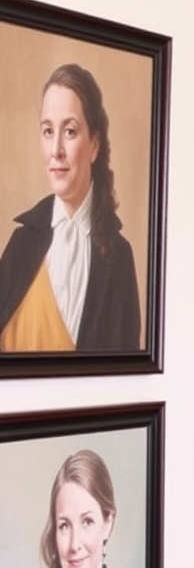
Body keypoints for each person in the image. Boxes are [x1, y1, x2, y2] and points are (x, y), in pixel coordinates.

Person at [0, 63, 140, 352]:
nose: (56, 151)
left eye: (70, 131)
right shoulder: (19, 246)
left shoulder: (119, 259)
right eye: (48, 131)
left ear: (94, 145)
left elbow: (125, 381)